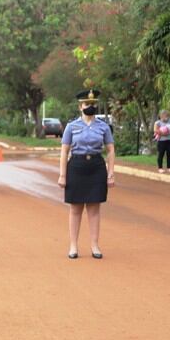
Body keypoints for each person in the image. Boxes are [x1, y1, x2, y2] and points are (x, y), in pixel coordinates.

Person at [58, 89, 116, 259]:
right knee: (75, 207)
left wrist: (110, 173)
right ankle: (73, 246)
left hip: (96, 167)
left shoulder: (103, 127)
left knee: (94, 208)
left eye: (92, 104)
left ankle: (95, 245)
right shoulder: (71, 126)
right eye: (86, 104)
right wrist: (62, 175)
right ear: (80, 106)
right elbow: (64, 151)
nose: (89, 107)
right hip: (76, 166)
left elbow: (111, 150)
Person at [154, 109, 170, 173]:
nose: (165, 117)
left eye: (166, 116)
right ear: (160, 116)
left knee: (169, 154)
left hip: (169, 140)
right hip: (161, 141)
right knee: (161, 154)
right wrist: (164, 133)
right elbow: (155, 130)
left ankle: (169, 167)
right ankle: (160, 168)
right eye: (164, 116)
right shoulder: (157, 122)